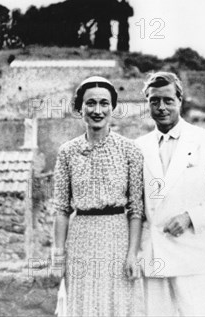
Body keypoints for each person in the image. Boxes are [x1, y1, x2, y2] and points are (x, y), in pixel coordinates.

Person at [135, 72, 205, 316]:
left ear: (180, 100)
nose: (161, 107)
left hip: (193, 255)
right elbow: (135, 204)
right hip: (154, 255)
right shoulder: (139, 146)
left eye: (168, 100)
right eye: (154, 101)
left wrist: (190, 217)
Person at [52, 76, 144, 316]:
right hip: (80, 238)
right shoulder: (67, 152)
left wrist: (133, 253)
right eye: (90, 103)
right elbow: (61, 209)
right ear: (79, 108)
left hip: (117, 237)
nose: (97, 110)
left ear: (112, 108)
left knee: (117, 304)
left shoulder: (130, 150)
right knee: (84, 305)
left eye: (104, 103)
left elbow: (136, 209)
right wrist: (58, 255)